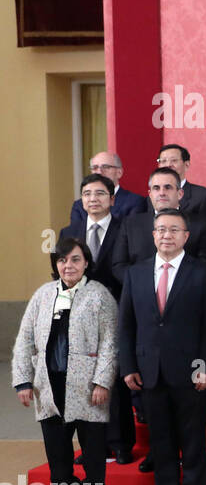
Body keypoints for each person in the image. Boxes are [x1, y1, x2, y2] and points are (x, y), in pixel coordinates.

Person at [118, 209, 206, 485]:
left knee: (192, 440)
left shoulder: (203, 271)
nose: (167, 235)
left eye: (174, 230)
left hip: (191, 370)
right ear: (153, 235)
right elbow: (127, 326)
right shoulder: (136, 273)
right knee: (160, 439)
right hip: (150, 370)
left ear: (186, 236)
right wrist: (128, 365)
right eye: (161, 230)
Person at [12, 238, 118, 485]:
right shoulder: (43, 295)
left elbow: (110, 342)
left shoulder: (99, 295)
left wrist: (102, 382)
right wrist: (23, 381)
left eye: (74, 259)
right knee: (57, 451)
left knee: (93, 450)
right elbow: (24, 339)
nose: (67, 265)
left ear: (86, 263)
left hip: (88, 388)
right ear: (55, 265)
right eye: (62, 260)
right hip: (49, 385)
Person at [60, 174, 133, 465]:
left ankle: (121, 443)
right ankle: (94, 446)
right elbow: (62, 271)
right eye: (87, 194)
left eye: (100, 193)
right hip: (80, 314)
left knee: (114, 379)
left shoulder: (126, 227)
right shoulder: (70, 230)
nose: (93, 199)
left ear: (112, 199)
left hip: (116, 309)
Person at [113, 167, 206, 288]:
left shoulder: (200, 224)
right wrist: (144, 285)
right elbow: (119, 265)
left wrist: (171, 285)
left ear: (180, 193)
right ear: (150, 194)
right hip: (140, 295)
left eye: (168, 187)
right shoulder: (130, 223)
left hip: (185, 294)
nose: (162, 192)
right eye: (156, 188)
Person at [69, 151, 147, 223]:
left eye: (105, 167)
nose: (99, 172)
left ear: (119, 172)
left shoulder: (135, 202)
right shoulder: (79, 205)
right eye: (95, 167)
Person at [156, 144, 206, 230]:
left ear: (187, 165)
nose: (168, 165)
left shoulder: (203, 196)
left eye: (173, 160)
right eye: (163, 161)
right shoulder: (152, 197)